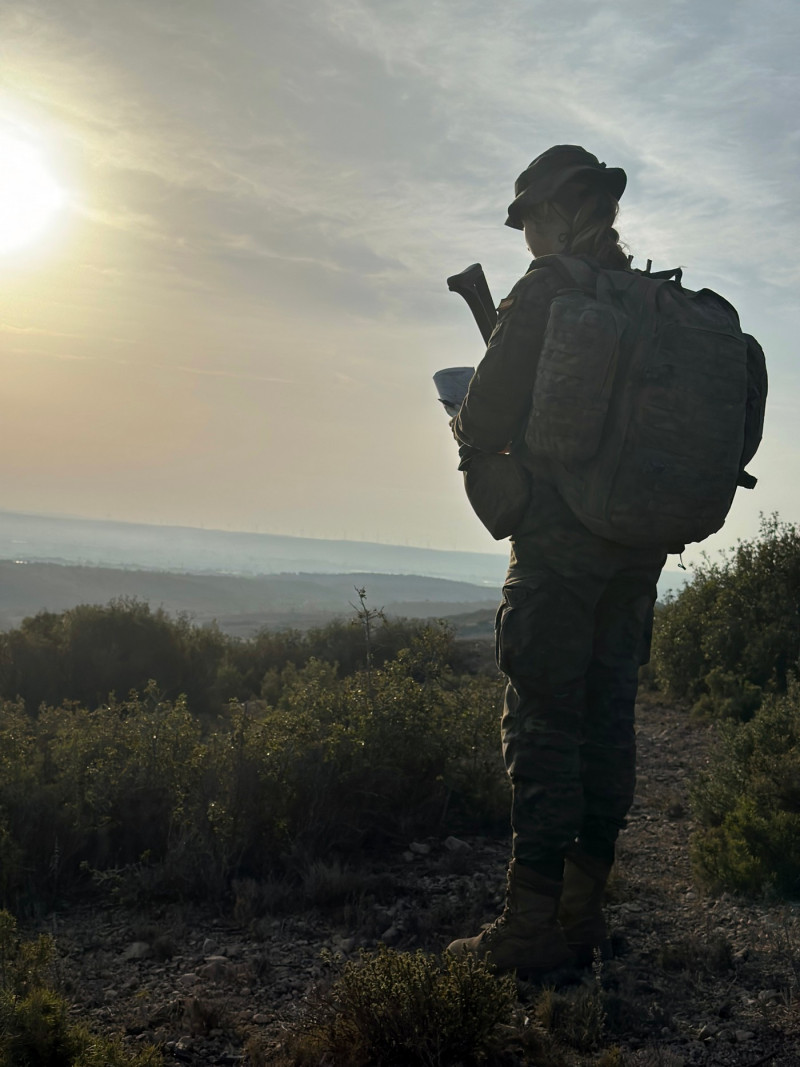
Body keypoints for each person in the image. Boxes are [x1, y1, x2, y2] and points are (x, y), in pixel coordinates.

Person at [446, 145, 670, 977]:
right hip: (635, 549)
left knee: (542, 724)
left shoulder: (546, 290)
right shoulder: (651, 297)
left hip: (559, 550)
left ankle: (529, 924)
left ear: (552, 211)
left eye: (529, 218)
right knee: (609, 720)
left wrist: (467, 423)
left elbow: (488, 414)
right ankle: (582, 913)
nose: (528, 235)